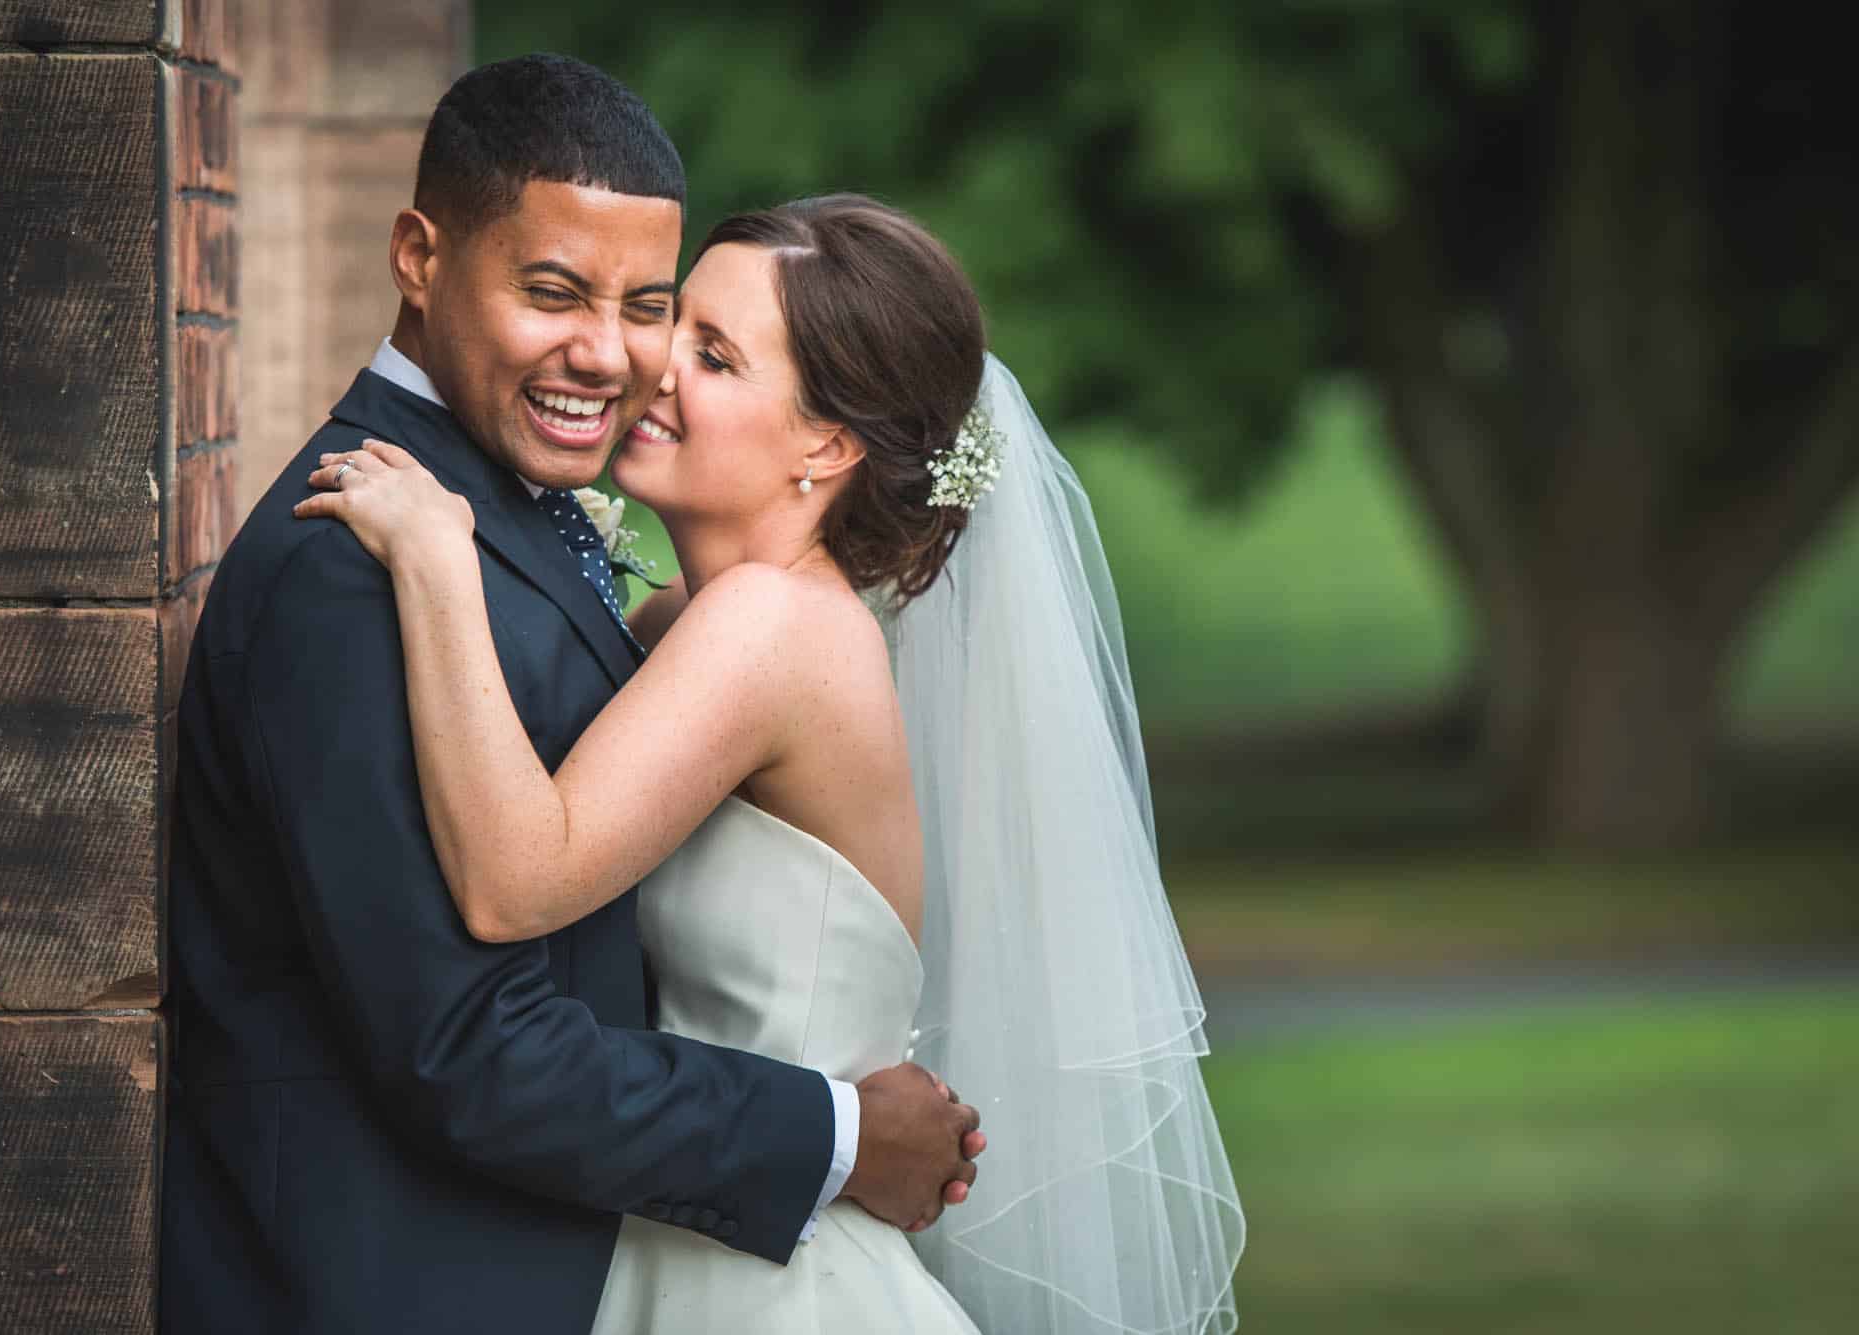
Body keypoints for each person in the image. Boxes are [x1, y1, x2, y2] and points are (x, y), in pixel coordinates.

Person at [298, 188, 1245, 1330]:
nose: (651, 369)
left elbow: (514, 879)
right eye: (671, 323)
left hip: (762, 1286)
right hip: (692, 1225)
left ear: (826, 443)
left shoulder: (772, 628)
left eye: (715, 355)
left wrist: (440, 562)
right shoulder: (684, 628)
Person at [159, 56, 982, 1335]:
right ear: (419, 258)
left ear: (828, 444)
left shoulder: (696, 599)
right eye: (554, 292)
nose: (625, 363)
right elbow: (466, 1045)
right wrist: (833, 1133)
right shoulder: (361, 553)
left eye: (667, 323)